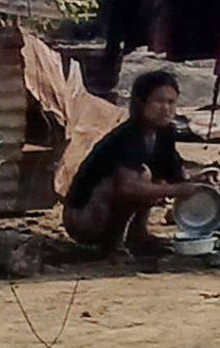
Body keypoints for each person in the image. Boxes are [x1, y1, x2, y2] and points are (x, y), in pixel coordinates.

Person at [62, 69, 212, 256]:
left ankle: (137, 235)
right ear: (141, 103)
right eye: (158, 101)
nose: (165, 108)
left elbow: (175, 175)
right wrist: (176, 190)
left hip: (102, 210)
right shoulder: (128, 136)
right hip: (84, 217)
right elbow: (128, 188)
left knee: (154, 181)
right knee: (141, 177)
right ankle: (112, 243)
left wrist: (199, 183)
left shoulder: (164, 134)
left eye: (171, 102)